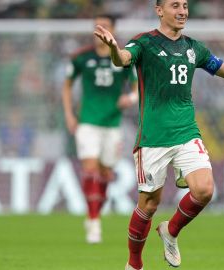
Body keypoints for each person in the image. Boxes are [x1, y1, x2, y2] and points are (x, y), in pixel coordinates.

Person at [94, 0, 224, 269]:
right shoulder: (145, 42)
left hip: (186, 132)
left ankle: (170, 232)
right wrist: (114, 48)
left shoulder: (194, 48)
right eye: (175, 5)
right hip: (153, 137)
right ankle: (134, 263)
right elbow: (122, 59)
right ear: (159, 10)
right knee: (148, 205)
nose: (182, 11)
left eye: (185, 5)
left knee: (205, 190)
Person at [62, 14, 138, 244]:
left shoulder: (123, 58)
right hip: (87, 122)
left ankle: (94, 211)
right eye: (98, 26)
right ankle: (94, 221)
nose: (101, 30)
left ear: (112, 31)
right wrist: (69, 114)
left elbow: (137, 86)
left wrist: (131, 99)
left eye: (105, 26)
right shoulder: (81, 58)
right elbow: (66, 86)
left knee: (105, 174)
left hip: (112, 125)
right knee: (91, 169)